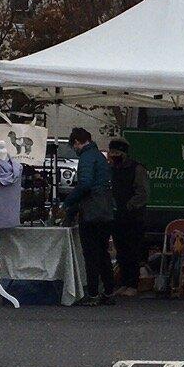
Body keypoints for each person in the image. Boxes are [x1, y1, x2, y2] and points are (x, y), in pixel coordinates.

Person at [62, 127, 116, 304]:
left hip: (92, 212)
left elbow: (85, 184)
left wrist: (68, 202)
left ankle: (92, 293)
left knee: (91, 254)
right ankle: (108, 291)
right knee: (103, 253)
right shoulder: (100, 156)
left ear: (77, 142)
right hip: (106, 210)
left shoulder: (86, 157)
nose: (75, 150)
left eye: (74, 146)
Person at [107, 138, 149, 297]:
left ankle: (132, 283)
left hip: (134, 217)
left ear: (124, 153)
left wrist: (129, 206)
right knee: (121, 251)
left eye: (117, 153)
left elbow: (143, 193)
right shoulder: (113, 169)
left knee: (133, 251)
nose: (114, 156)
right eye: (112, 153)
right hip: (117, 216)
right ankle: (124, 282)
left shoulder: (137, 169)